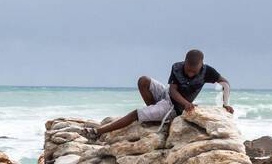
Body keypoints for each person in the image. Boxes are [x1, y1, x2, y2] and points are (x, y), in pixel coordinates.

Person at [87, 51, 233, 139]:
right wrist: (186, 103)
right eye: (188, 69)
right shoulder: (177, 67)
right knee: (143, 81)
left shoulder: (208, 71)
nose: (189, 73)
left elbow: (225, 84)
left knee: (134, 114)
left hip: (172, 108)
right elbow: (172, 90)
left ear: (201, 64)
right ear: (185, 62)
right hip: (169, 96)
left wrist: (225, 104)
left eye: (193, 71)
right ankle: (153, 113)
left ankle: (97, 132)